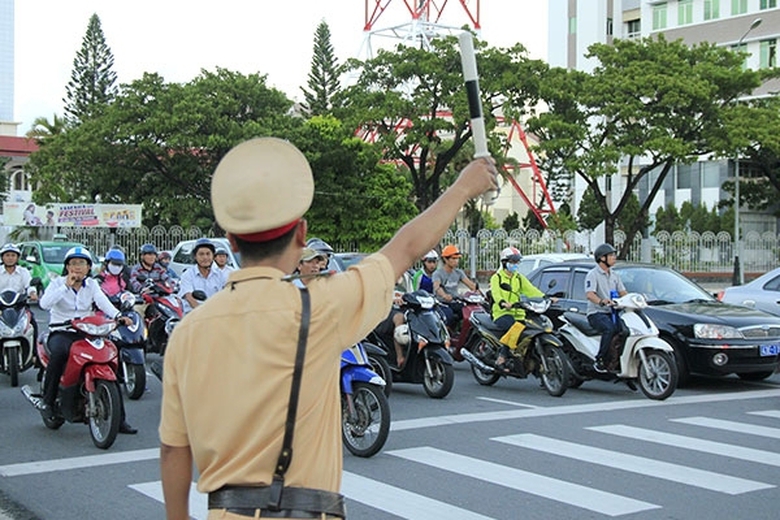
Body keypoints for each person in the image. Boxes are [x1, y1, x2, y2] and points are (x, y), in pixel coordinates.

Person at [159, 136, 497, 520]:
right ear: (302, 235)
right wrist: (464, 187)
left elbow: (173, 448)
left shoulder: (189, 332)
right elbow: (405, 249)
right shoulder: (321, 307)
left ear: (232, 241)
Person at [38, 246, 137, 434]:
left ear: (88, 267)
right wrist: (66, 285)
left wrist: (119, 316)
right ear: (67, 266)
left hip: (88, 331)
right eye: (73, 263)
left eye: (82, 263)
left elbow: (102, 302)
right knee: (59, 353)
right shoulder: (57, 282)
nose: (77, 267)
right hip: (62, 331)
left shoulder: (92, 284)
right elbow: (44, 304)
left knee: (111, 355)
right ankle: (48, 402)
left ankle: (120, 420)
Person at [489, 246, 547, 371]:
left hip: (519, 313)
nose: (515, 265)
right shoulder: (497, 278)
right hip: (502, 313)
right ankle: (502, 357)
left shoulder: (519, 278)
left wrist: (545, 297)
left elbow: (530, 290)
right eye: (512, 262)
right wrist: (503, 302)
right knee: (515, 327)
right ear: (504, 262)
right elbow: (496, 294)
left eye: (516, 262)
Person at [585, 243, 627, 373]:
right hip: (597, 312)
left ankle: (617, 360)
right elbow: (590, 294)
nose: (614, 257)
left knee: (625, 330)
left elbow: (623, 292)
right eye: (611, 255)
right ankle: (600, 359)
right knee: (609, 329)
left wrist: (633, 299)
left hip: (613, 312)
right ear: (602, 258)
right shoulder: (593, 274)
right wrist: (601, 301)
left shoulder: (615, 275)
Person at [432, 244, 478, 327]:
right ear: (445, 259)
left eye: (457, 258)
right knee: (449, 316)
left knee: (469, 313)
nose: (456, 261)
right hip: (442, 303)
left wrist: (480, 293)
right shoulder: (438, 273)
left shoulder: (458, 272)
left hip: (455, 302)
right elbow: (437, 287)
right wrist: (444, 295)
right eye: (453, 258)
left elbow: (471, 285)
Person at [177, 238, 226, 313]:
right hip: (193, 317)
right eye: (201, 254)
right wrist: (204, 313)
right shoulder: (187, 275)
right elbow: (189, 297)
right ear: (195, 257)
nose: (205, 257)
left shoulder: (221, 275)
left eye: (208, 254)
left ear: (213, 256)